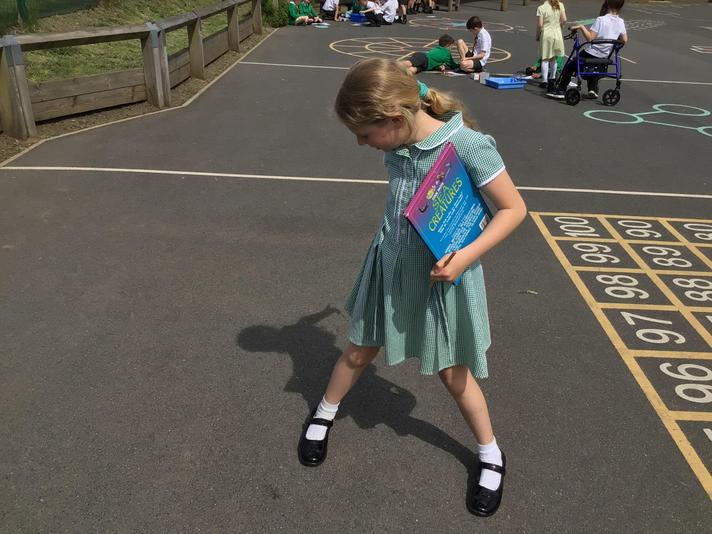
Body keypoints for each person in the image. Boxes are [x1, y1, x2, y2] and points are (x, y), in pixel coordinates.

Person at [297, 58, 527, 518]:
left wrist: (465, 257)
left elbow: (514, 209)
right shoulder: (399, 133)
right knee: (358, 350)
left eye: (365, 134)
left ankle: (490, 454)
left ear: (394, 119)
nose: (362, 144)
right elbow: (405, 80)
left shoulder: (467, 145)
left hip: (442, 274)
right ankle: (322, 414)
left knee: (453, 373)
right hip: (391, 264)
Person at [548, 0, 627, 99]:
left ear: (608, 3)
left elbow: (590, 38)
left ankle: (561, 90)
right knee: (594, 66)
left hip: (591, 53)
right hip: (605, 55)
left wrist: (581, 27)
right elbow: (624, 40)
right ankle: (592, 88)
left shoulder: (601, 20)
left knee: (570, 66)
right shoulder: (620, 22)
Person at [536, 0, 566, 93]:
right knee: (554, 57)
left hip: (546, 34)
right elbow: (564, 20)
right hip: (557, 33)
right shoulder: (560, 5)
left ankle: (544, 81)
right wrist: (560, 26)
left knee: (545, 58)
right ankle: (552, 79)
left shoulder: (542, 8)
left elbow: (540, 25)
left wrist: (538, 35)